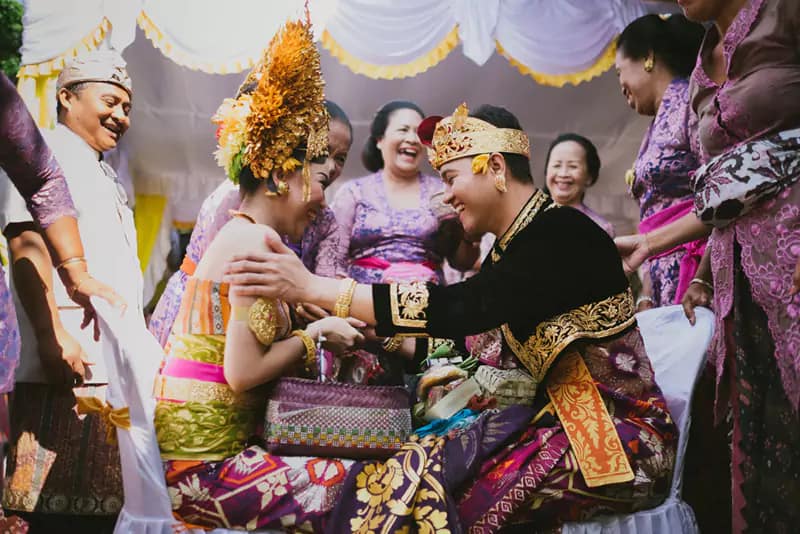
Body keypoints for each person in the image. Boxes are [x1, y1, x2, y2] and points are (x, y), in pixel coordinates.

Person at [224, 103, 678, 531]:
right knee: (409, 468)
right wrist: (376, 337)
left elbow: (462, 308)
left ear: (496, 168)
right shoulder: (515, 246)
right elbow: (474, 346)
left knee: (436, 494)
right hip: (557, 420)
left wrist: (314, 287)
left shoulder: (557, 232)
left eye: (451, 177)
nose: (445, 197)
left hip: (611, 437)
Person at [154, 19, 365, 531]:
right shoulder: (251, 243)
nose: (323, 196)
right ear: (278, 177)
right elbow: (243, 373)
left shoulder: (246, 234)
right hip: (202, 469)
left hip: (206, 450)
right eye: (318, 178)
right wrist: (315, 336)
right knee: (365, 487)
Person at [615, 0, 800, 531]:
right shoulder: (702, 66)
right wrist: (689, 270)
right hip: (734, 277)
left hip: (790, 260)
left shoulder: (783, 15)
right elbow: (729, 193)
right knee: (764, 439)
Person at [1, 51, 139, 532]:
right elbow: (25, 243)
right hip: (62, 365)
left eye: (127, 107)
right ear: (66, 97)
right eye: (110, 101)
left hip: (106, 367)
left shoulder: (104, 172)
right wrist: (52, 333)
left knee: (98, 514)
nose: (120, 116)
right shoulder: (45, 153)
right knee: (46, 514)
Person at [147, 99, 353, 348]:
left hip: (275, 325)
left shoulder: (325, 219)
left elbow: (323, 284)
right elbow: (223, 281)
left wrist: (314, 302)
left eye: (340, 158)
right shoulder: (239, 197)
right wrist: (294, 297)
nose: (330, 166)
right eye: (322, 153)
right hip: (207, 316)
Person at [322, 100, 481, 384]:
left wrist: (470, 236)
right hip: (363, 317)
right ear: (380, 139)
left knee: (424, 404)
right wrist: (343, 311)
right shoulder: (353, 192)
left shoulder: (441, 191)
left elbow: (460, 260)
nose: (411, 138)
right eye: (402, 129)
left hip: (424, 318)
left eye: (418, 133)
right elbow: (333, 257)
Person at [615, 14, 706, 310]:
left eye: (619, 72)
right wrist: (646, 292)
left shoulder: (693, 105)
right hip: (663, 272)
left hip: (699, 273)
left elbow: (723, 196)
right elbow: (652, 218)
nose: (621, 85)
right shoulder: (656, 123)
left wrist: (702, 279)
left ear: (647, 57)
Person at [544, 133, 616, 237]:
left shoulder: (600, 229)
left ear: (589, 177)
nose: (563, 174)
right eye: (556, 165)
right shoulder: (526, 219)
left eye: (573, 166)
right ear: (546, 171)